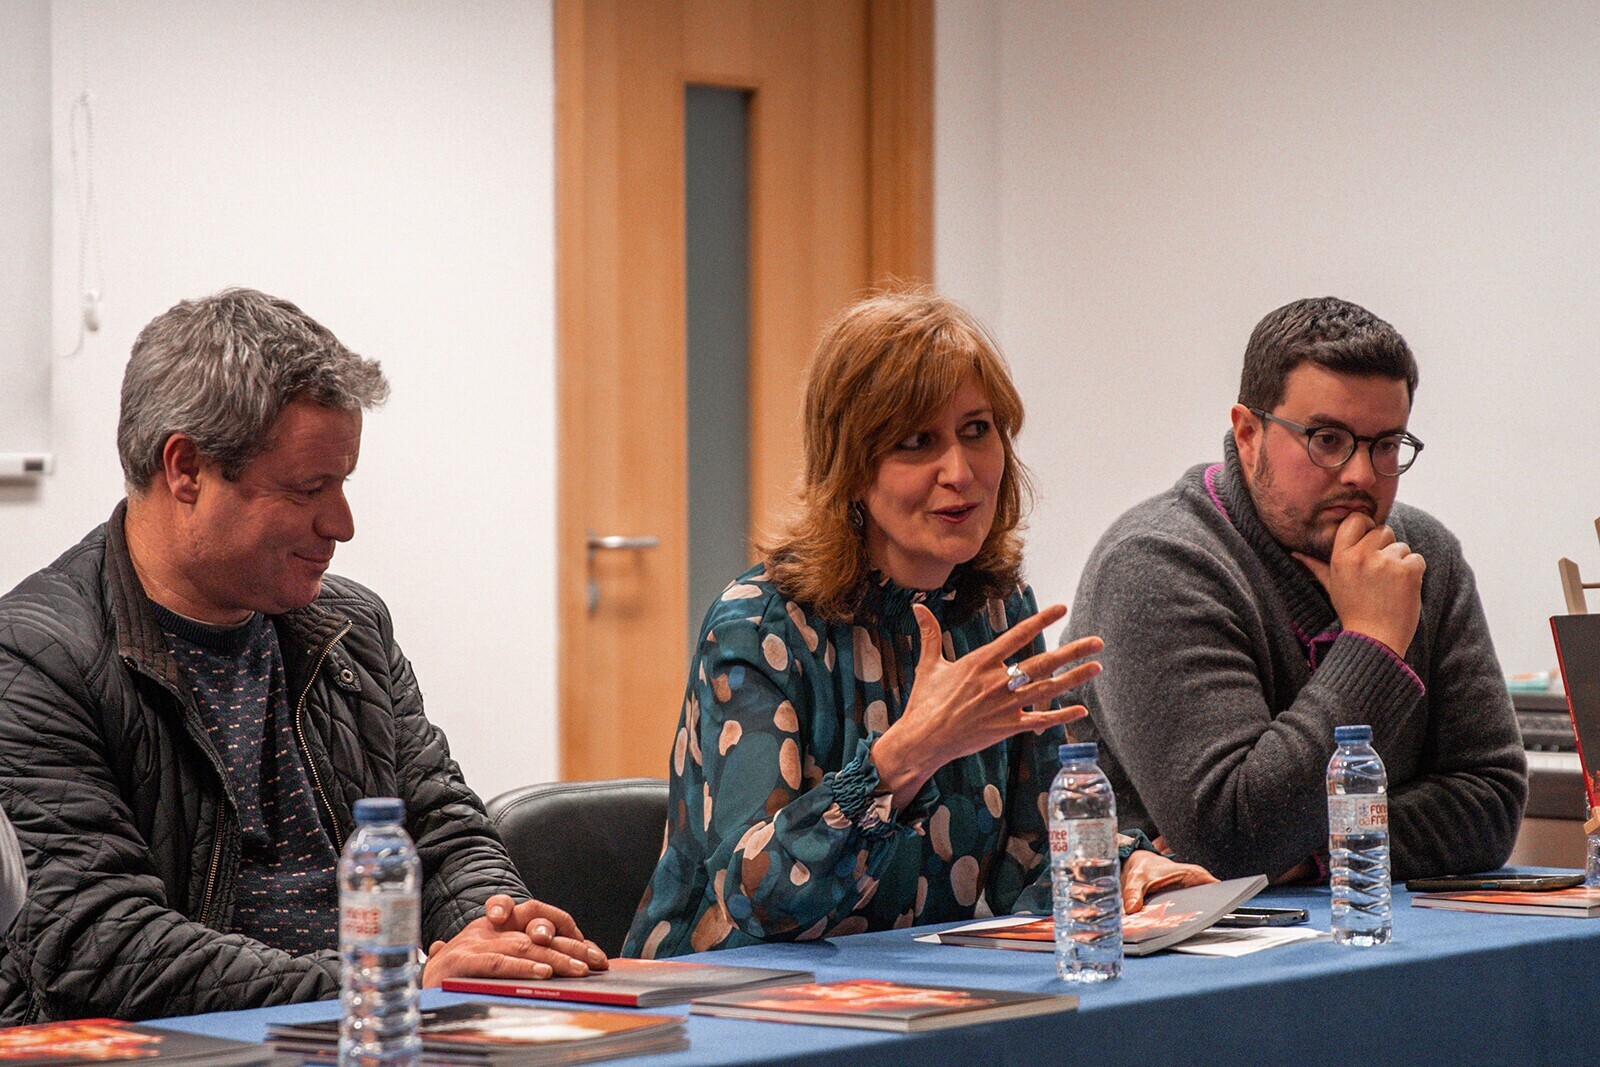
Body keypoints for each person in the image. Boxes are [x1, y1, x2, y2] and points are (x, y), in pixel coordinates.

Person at [0, 289, 606, 1023]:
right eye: (309, 488)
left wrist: (498, 929)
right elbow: (103, 946)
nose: (341, 524)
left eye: (342, 484)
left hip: (371, 1022)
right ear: (186, 469)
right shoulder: (34, 660)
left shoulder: (353, 627)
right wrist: (393, 979)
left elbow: (441, 827)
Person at [623, 290, 1214, 959]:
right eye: (915, 442)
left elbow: (1031, 857)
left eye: (976, 430)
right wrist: (904, 756)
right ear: (851, 467)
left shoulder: (996, 608)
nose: (959, 472)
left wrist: (1124, 865)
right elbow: (758, 899)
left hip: (918, 989)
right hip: (723, 996)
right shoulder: (758, 625)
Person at [1066, 296, 1527, 882]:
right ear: (1248, 434)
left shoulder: (1423, 555)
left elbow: (1491, 802)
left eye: (1386, 444)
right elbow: (1231, 834)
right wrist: (1373, 643)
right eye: (1327, 439)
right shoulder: (1156, 564)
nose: (1361, 475)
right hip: (1167, 938)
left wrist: (1311, 855)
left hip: (1370, 924)